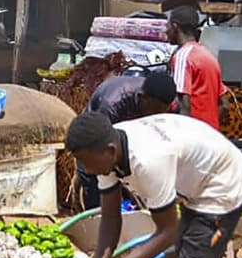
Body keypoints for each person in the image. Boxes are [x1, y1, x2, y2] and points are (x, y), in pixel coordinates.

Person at [66, 111, 242, 258]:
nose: (88, 170)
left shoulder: (148, 161)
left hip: (222, 185)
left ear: (111, 151)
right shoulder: (105, 147)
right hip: (196, 184)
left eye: (88, 163)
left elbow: (167, 233)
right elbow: (110, 217)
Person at [77, 72, 179, 210]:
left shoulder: (171, 104)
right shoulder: (113, 103)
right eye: (153, 111)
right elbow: (104, 149)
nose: (156, 116)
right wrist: (128, 185)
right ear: (141, 98)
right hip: (94, 141)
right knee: (97, 185)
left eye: (161, 112)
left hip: (130, 140)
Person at [167, 5, 225, 130]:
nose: (166, 32)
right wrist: (209, 129)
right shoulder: (209, 56)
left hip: (191, 134)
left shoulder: (183, 56)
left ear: (175, 27)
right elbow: (224, 105)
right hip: (210, 134)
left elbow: (184, 106)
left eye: (167, 27)